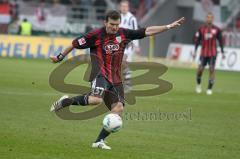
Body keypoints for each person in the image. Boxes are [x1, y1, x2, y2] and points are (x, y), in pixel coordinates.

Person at [50, 10, 185, 150]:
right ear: (105, 22)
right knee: (96, 100)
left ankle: (99, 141)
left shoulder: (124, 33)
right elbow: (74, 43)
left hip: (116, 79)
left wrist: (168, 26)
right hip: (100, 74)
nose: (114, 27)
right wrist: (60, 57)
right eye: (112, 24)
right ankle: (66, 101)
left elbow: (147, 31)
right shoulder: (95, 35)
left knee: (118, 109)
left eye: (117, 24)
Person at [193, 12, 225, 95]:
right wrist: (195, 51)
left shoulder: (217, 29)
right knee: (200, 70)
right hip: (203, 53)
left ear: (212, 19)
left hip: (213, 53)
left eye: (211, 17)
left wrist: (222, 52)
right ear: (206, 18)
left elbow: (221, 41)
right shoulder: (201, 29)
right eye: (208, 17)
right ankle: (198, 85)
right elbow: (197, 41)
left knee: (211, 69)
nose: (209, 19)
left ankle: (209, 89)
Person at [119, 0, 140, 93]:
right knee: (120, 65)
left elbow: (136, 32)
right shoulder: (118, 17)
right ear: (120, 7)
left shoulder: (132, 18)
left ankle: (127, 84)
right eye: (122, 6)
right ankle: (125, 83)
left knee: (123, 62)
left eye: (125, 6)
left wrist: (137, 45)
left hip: (128, 45)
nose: (124, 8)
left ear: (128, 7)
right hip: (119, 44)